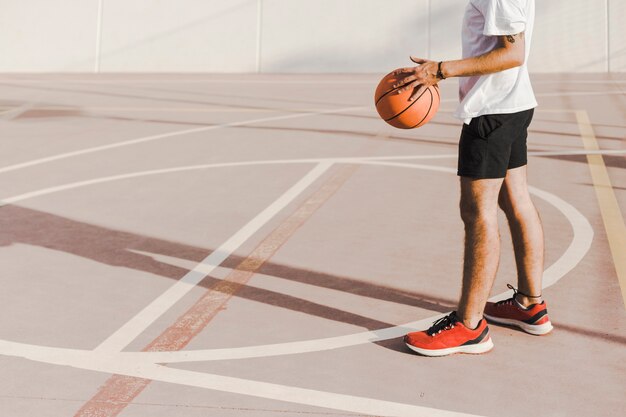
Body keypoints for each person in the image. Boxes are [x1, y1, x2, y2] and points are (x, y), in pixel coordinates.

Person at [394, 0, 553, 356]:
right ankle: (530, 305)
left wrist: (442, 70)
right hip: (512, 103)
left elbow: (513, 53)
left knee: (477, 213)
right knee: (516, 200)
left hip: (492, 110)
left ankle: (469, 326)